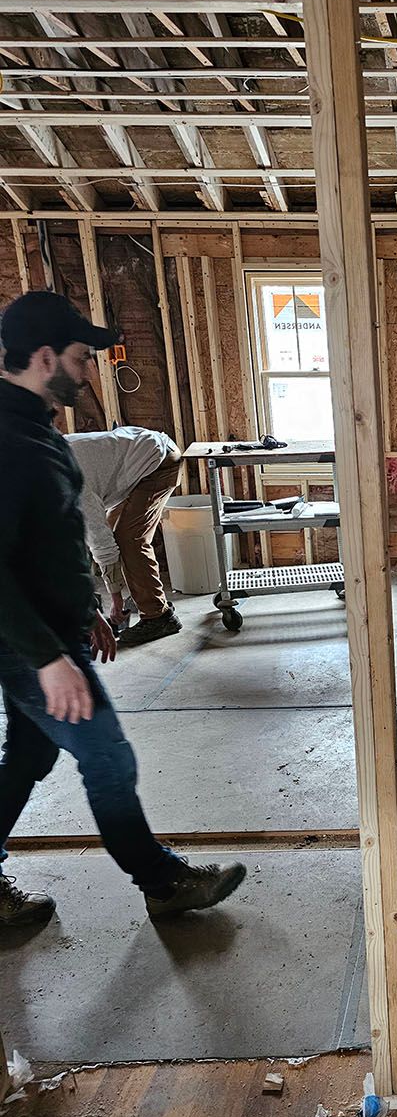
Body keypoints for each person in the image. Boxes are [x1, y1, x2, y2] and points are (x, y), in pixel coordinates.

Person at [0, 290, 246, 926]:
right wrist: (50, 657)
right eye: (81, 358)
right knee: (107, 756)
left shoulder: (35, 429)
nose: (87, 371)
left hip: (55, 633)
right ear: (45, 356)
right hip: (33, 645)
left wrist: (85, 610)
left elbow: (48, 540)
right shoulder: (9, 442)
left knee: (31, 755)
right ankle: (161, 881)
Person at [66, 426, 183, 647]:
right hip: (139, 456)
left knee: (129, 540)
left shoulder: (67, 477)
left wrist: (115, 597)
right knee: (118, 535)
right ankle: (147, 599)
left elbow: (99, 538)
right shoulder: (41, 460)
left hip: (157, 461)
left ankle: (158, 617)